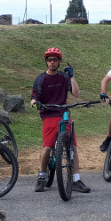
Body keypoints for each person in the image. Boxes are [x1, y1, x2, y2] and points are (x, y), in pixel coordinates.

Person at [29, 47, 89, 194]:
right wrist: (35, 104)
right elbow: (34, 98)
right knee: (47, 147)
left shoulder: (64, 77)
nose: (52, 62)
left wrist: (72, 77)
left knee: (72, 146)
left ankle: (76, 180)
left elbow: (76, 94)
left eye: (55, 60)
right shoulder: (41, 79)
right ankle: (42, 176)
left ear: (59, 62)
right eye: (49, 60)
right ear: (46, 62)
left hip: (63, 113)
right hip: (49, 114)